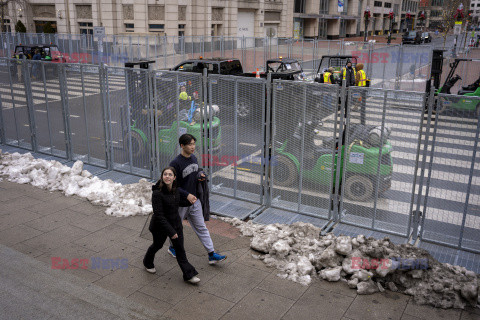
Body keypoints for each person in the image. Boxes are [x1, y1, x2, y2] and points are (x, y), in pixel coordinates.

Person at [168, 133, 227, 265]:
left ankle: (211, 254)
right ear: (182, 146)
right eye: (189, 144)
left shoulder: (194, 158)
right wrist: (186, 194)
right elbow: (171, 185)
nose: (193, 146)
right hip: (181, 203)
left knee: (201, 228)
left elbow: (196, 171)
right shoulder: (175, 163)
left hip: (194, 202)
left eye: (194, 143)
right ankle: (172, 247)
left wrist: (200, 174)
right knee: (176, 227)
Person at [143, 166, 201, 284]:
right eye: (165, 174)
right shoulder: (157, 193)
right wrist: (171, 232)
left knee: (180, 250)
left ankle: (189, 275)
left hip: (175, 224)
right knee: (157, 245)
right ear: (162, 177)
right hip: (160, 227)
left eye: (170, 175)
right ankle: (147, 262)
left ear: (174, 177)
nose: (167, 177)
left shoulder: (176, 190)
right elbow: (159, 215)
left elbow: (177, 202)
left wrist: (190, 201)